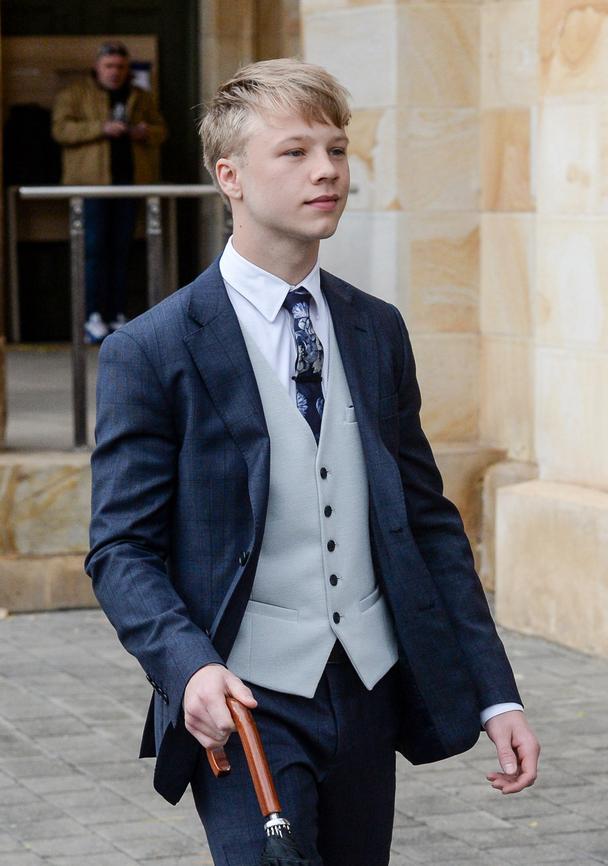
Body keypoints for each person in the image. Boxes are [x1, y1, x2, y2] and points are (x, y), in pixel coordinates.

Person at [86, 59, 540, 866]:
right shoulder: (151, 350)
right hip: (242, 698)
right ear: (229, 176)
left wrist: (493, 691)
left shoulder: (377, 330)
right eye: (294, 152)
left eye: (336, 148)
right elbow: (121, 549)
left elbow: (429, 524)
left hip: (367, 684)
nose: (326, 169)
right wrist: (187, 667)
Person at [52, 41, 167, 343]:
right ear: (97, 68)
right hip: (90, 186)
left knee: (121, 251)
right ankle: (91, 315)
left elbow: (161, 130)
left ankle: (117, 314)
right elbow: (61, 130)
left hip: (129, 184)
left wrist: (144, 132)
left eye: (120, 67)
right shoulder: (76, 95)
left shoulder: (140, 96)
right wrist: (101, 129)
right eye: (109, 67)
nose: (115, 73)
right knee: (93, 251)